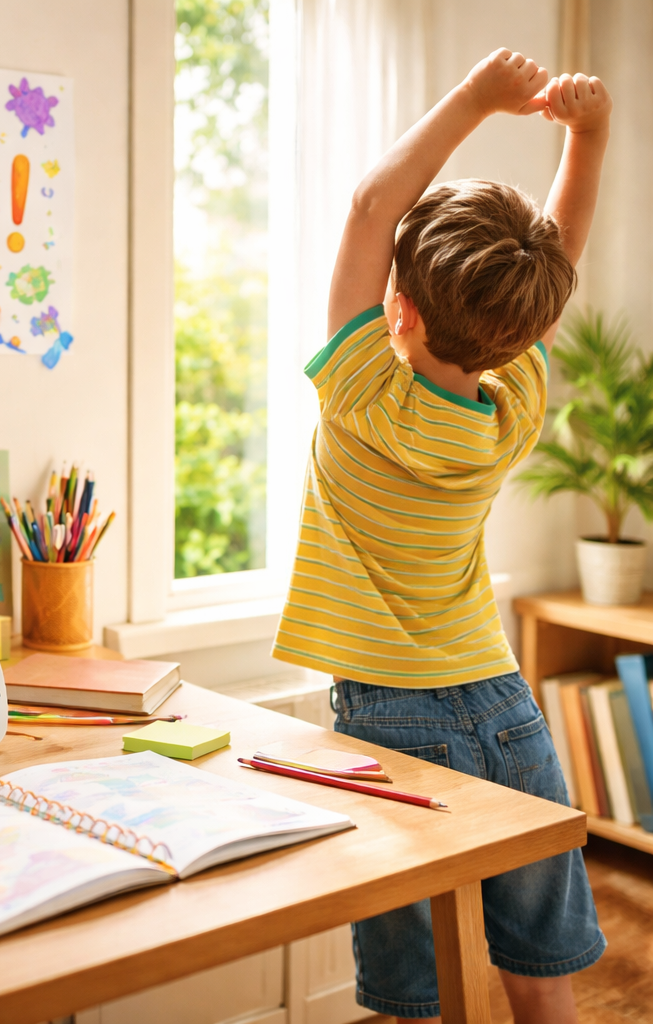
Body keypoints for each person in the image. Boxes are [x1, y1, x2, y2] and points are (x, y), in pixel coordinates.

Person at [271, 49, 613, 1023]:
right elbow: (558, 251)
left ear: (399, 311)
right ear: (527, 325)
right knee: (541, 958)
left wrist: (476, 97)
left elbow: (368, 210)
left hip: (391, 721)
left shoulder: (360, 394)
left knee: (409, 984)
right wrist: (585, 132)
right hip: (504, 707)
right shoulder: (515, 405)